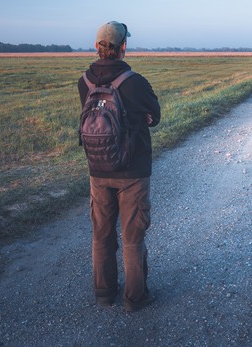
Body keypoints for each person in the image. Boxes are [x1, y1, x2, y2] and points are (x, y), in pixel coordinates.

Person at [78, 21, 161, 312]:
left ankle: (104, 292)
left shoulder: (85, 81)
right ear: (124, 46)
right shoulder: (134, 82)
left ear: (96, 46)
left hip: (98, 170)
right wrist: (144, 118)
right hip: (133, 172)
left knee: (101, 234)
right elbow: (156, 115)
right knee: (132, 238)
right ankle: (135, 298)